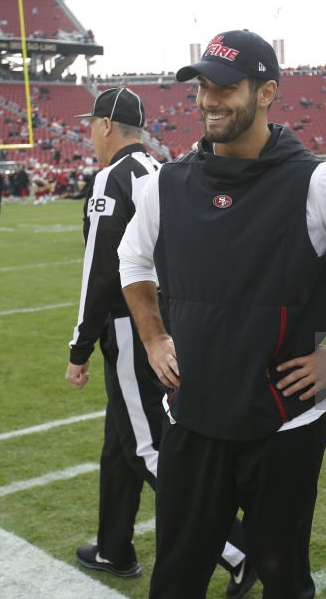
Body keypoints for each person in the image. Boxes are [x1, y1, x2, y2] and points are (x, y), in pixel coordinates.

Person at [118, 29, 326, 598]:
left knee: (284, 580)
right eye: (201, 85)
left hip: (284, 427)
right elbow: (131, 261)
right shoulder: (165, 186)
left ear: (267, 91)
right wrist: (151, 337)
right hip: (191, 421)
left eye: (225, 86)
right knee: (175, 581)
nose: (208, 99)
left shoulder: (320, 183)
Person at [66, 87, 254, 597]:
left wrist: (79, 348)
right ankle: (114, 545)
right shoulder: (165, 169)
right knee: (120, 443)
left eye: (92, 124)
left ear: (106, 126)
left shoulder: (114, 177)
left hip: (133, 325)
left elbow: (101, 271)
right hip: (176, 318)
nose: (88, 133)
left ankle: (238, 546)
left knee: (147, 446)